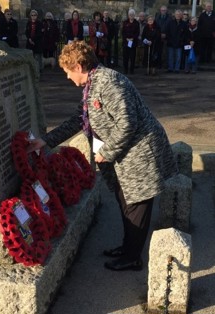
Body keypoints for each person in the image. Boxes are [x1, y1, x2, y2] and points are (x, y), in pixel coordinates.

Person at [27, 40, 177, 271]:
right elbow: (78, 119)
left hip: (140, 154)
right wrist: (45, 141)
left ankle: (132, 258)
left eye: (67, 72)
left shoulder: (108, 82)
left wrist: (106, 152)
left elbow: (128, 122)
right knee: (126, 202)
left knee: (136, 206)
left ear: (78, 66)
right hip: (125, 155)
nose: (67, 78)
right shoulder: (92, 85)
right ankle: (128, 248)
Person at [121, 9, 139, 74]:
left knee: (132, 57)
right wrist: (126, 38)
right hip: (126, 42)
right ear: (128, 15)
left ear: (134, 15)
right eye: (130, 14)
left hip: (133, 42)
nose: (131, 16)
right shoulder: (125, 22)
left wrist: (132, 38)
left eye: (132, 14)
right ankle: (125, 70)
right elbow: (123, 32)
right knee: (125, 57)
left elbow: (137, 33)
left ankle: (132, 70)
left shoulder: (136, 23)